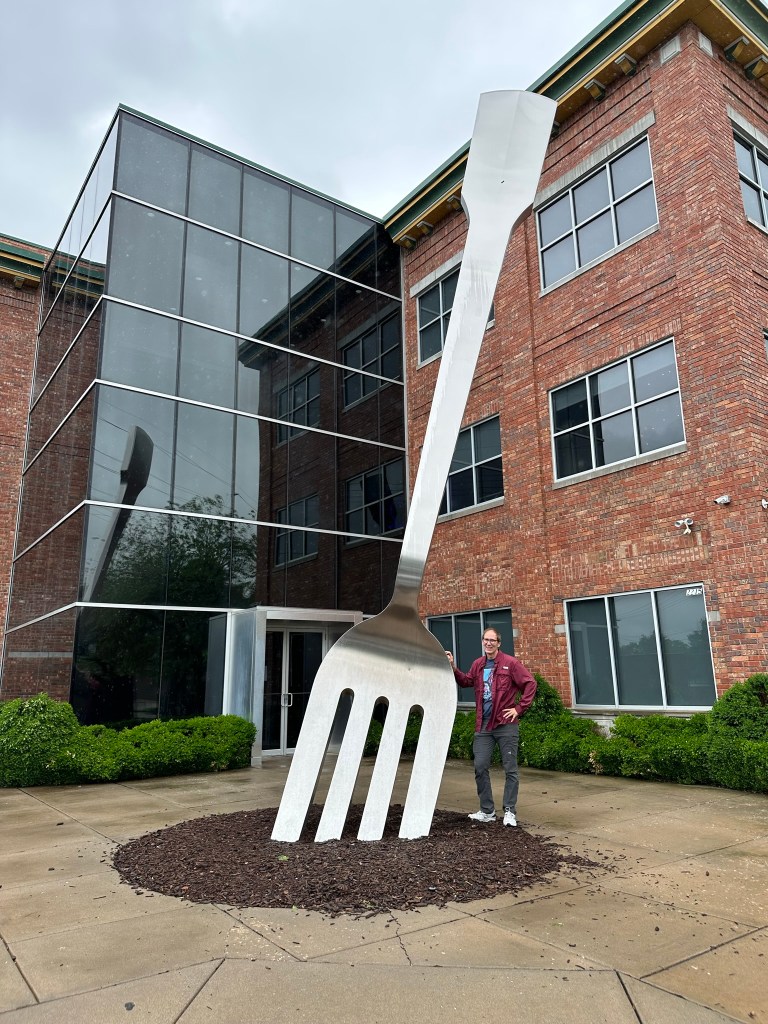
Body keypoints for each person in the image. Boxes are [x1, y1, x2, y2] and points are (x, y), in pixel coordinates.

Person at [446, 629, 537, 827]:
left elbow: (530, 683)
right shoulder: (478, 664)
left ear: (499, 643)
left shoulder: (511, 663)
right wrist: (452, 667)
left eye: (492, 640)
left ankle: (509, 811)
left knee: (510, 769)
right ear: (482, 642)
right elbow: (466, 681)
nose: (489, 643)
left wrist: (519, 708)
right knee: (480, 767)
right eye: (486, 640)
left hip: (505, 724)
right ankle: (487, 811)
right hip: (484, 725)